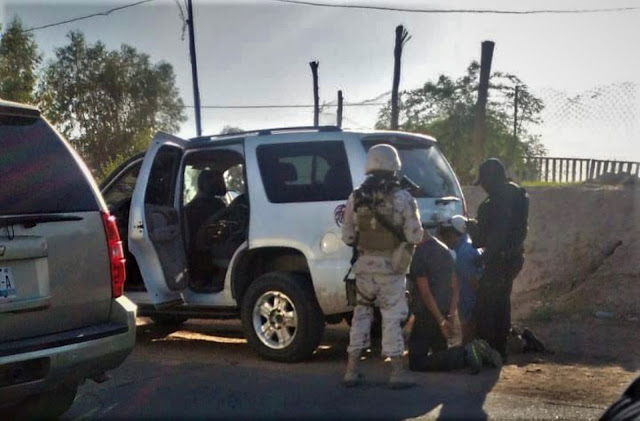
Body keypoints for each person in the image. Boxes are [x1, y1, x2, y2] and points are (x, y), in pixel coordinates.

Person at [341, 144, 423, 389]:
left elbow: (347, 237)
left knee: (361, 315)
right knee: (391, 316)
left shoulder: (355, 197)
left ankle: (351, 370)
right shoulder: (403, 197)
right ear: (394, 165)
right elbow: (415, 235)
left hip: (364, 267)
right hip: (392, 268)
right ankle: (397, 372)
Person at [407, 223, 501, 374]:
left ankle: (467, 353)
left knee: (416, 362)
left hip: (428, 314)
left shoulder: (419, 254)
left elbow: (425, 293)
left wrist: (441, 321)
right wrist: (450, 315)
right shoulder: (446, 250)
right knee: (440, 355)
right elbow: (455, 286)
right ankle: (475, 352)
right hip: (444, 310)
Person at [470, 158, 529, 361]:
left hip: (498, 260)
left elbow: (496, 235)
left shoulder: (495, 202)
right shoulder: (517, 194)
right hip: (514, 257)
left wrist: (483, 252)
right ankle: (500, 349)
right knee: (502, 303)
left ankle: (488, 350)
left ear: (491, 178)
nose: (484, 187)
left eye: (484, 181)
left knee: (486, 305)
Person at [438, 215, 483, 344]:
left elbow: (474, 282)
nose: (445, 239)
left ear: (454, 234)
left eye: (447, 234)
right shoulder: (467, 248)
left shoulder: (464, 253)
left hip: (471, 306)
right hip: (470, 304)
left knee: (471, 343)